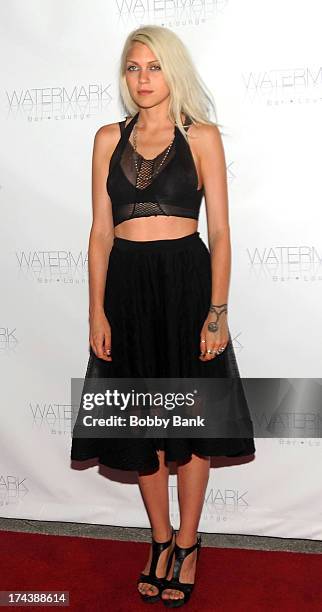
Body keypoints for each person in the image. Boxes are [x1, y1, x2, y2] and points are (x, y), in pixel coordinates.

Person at [71, 25, 256, 607]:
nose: (143, 78)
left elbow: (222, 232)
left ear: (171, 71)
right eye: (133, 68)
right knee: (137, 421)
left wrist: (217, 311)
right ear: (125, 76)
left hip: (185, 282)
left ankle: (189, 541)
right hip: (125, 287)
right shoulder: (106, 138)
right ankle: (158, 539)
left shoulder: (201, 137)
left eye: (153, 67)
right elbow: (100, 233)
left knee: (191, 421)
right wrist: (96, 311)